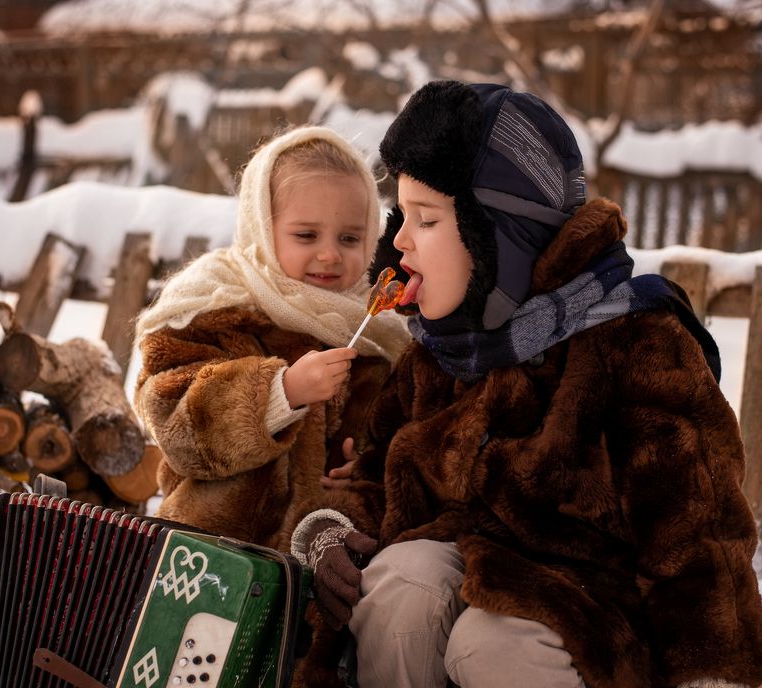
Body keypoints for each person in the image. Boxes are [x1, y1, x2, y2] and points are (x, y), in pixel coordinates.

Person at [289, 81, 762, 688]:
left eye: (427, 219)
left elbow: (698, 541)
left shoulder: (634, 342)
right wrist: (330, 530)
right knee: (402, 585)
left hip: (592, 612)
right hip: (461, 563)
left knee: (493, 642)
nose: (400, 239)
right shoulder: (440, 348)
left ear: (501, 233)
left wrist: (712, 672)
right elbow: (382, 481)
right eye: (401, 215)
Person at [134, 125, 410, 549]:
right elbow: (172, 424)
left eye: (350, 238)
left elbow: (395, 444)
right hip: (204, 554)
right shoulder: (213, 306)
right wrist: (279, 393)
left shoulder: (374, 337)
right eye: (306, 235)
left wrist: (366, 470)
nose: (330, 254)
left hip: (314, 566)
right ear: (261, 226)